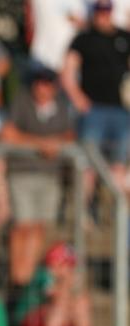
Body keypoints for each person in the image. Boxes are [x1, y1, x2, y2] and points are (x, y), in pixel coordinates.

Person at [1, 68, 75, 291]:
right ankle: (18, 278)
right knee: (22, 226)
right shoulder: (21, 102)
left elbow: (70, 136)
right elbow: (8, 134)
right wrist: (40, 144)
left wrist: (55, 144)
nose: (43, 88)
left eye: (47, 83)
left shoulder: (61, 107)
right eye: (39, 83)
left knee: (40, 227)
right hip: (22, 173)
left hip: (49, 175)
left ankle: (29, 277)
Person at [62, 0, 130, 192]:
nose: (103, 14)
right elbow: (68, 71)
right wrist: (78, 99)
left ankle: (114, 214)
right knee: (88, 164)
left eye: (106, 9)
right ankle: (85, 216)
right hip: (94, 111)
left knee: (119, 163)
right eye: (99, 9)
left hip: (122, 112)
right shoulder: (83, 38)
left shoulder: (125, 37)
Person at [13, 242, 92, 326]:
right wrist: (66, 283)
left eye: (71, 265)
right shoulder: (44, 274)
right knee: (60, 308)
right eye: (66, 264)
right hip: (29, 316)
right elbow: (55, 297)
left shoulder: (68, 277)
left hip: (57, 313)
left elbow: (79, 296)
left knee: (81, 305)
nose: (69, 269)